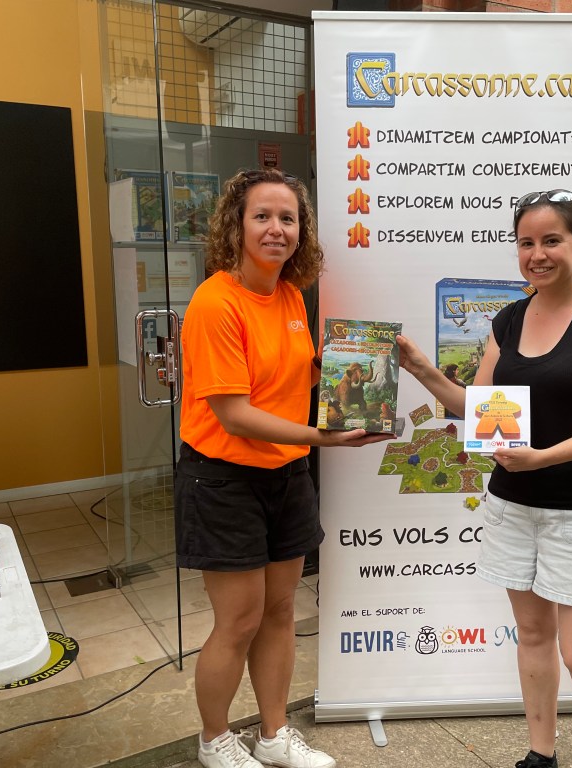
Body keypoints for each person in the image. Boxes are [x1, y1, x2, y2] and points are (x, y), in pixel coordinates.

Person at [397, 189, 572, 768]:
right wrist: (422, 369)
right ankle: (541, 755)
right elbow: (480, 406)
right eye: (526, 242)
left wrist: (544, 457)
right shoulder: (508, 320)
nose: (538, 254)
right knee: (532, 636)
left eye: (552, 240)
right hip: (514, 507)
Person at [175, 167, 391, 768]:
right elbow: (235, 414)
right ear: (236, 225)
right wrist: (325, 438)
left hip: (287, 476)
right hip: (224, 479)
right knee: (238, 620)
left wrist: (362, 366)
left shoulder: (291, 296)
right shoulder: (215, 301)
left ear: (302, 231)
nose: (277, 229)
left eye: (288, 218)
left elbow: (299, 376)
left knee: (279, 612)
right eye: (262, 216)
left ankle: (273, 736)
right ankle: (214, 740)